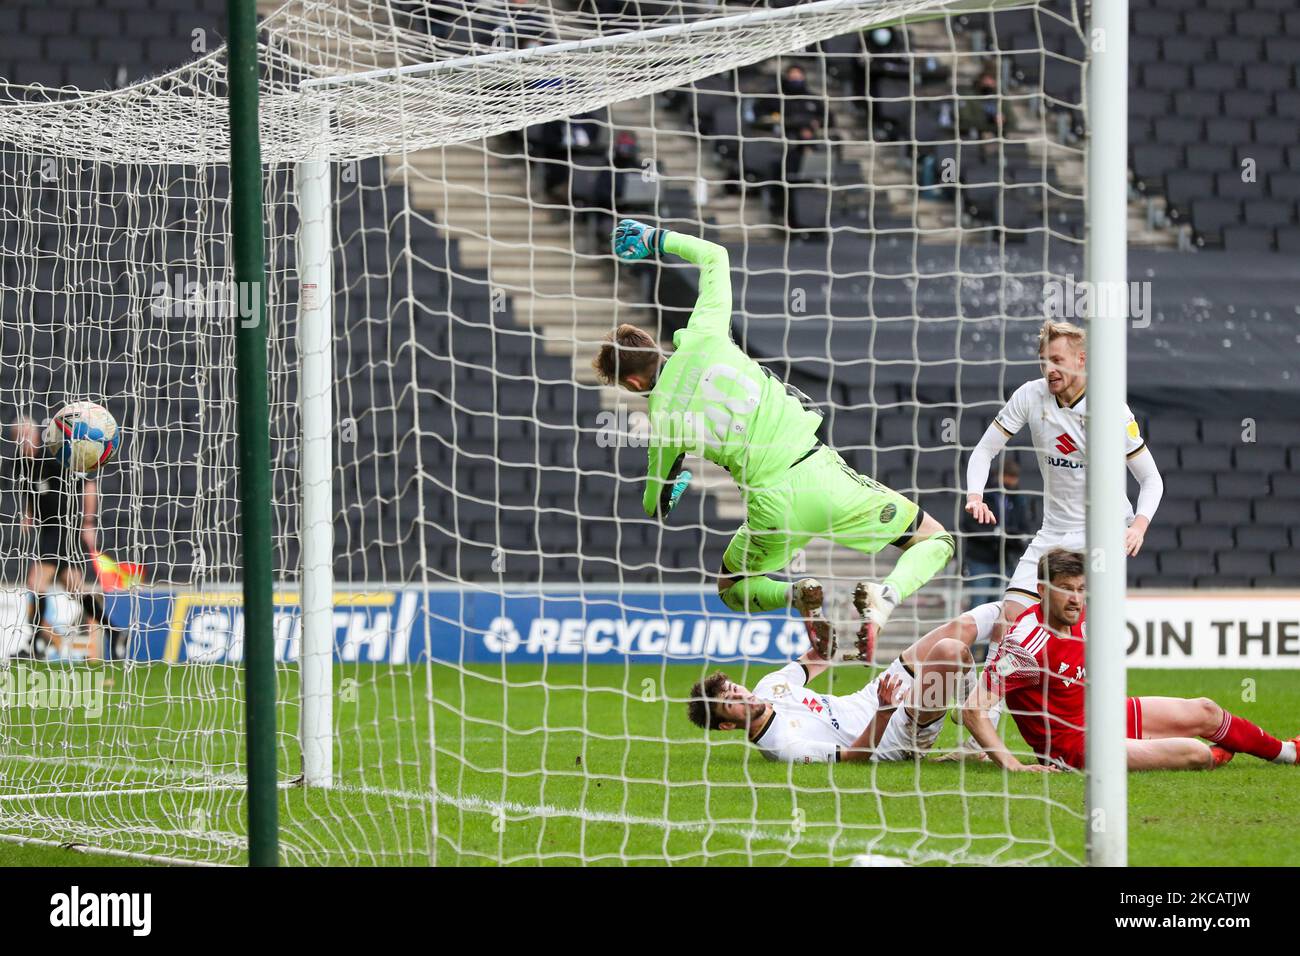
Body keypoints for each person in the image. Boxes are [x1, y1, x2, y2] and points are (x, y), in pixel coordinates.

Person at [593, 219, 955, 659]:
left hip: (771, 506)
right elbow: (714, 256)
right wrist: (655, 240)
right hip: (819, 472)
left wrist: (675, 486)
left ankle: (797, 592)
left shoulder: (662, 422)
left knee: (730, 588)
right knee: (934, 539)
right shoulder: (705, 334)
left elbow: (655, 505)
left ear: (631, 383)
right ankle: (887, 596)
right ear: (655, 343)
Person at [961, 319, 1164, 727]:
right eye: (1043, 362)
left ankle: (1102, 729)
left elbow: (1151, 479)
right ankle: (978, 742)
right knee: (1007, 626)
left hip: (1102, 536)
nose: (1048, 369)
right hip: (1053, 533)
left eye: (1056, 360)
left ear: (1081, 360)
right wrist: (975, 495)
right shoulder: (1030, 397)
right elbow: (984, 451)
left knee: (1080, 642)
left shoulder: (1110, 409)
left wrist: (1138, 526)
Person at [960, 548, 1299, 772]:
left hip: (1101, 714)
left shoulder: (1083, 615)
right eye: (1067, 589)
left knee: (1205, 709)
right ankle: (1216, 754)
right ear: (1044, 590)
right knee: (1193, 751)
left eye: (1081, 588)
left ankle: (1288, 752)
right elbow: (974, 709)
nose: (1076, 598)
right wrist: (1013, 765)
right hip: (1074, 747)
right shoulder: (1024, 647)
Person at [686, 601, 1003, 763]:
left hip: (872, 695)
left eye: (733, 689)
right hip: (895, 735)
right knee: (951, 652)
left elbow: (818, 658)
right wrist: (884, 711)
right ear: (727, 725)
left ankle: (972, 723)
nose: (741, 695)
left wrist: (825, 627)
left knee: (973, 622)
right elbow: (854, 757)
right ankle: (978, 715)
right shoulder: (782, 747)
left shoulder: (769, 685)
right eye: (731, 703)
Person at [10, 416, 125, 660]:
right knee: (74, 588)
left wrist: (88, 523)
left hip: (64, 528)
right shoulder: (21, 465)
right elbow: (31, 493)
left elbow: (89, 483)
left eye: (26, 433)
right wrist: (28, 515)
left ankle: (36, 642)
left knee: (36, 582)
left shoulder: (53, 457)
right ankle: (114, 630)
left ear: (36, 434)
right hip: (48, 529)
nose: (23, 439)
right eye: (18, 435)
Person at [958, 457, 1036, 616]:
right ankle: (974, 641)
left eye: (1014, 477)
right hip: (980, 559)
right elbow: (969, 525)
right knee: (978, 603)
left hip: (1006, 559)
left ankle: (992, 642)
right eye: (1007, 476)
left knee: (999, 606)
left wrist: (1008, 537)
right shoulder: (981, 496)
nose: (1011, 481)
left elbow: (1024, 527)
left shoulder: (1019, 499)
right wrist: (996, 535)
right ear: (998, 475)